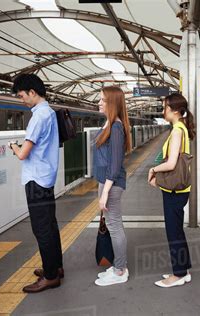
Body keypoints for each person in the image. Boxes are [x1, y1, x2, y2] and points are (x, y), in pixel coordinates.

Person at [9, 73, 63, 293]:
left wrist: (13, 145)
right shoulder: (49, 113)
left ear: (32, 92)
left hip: (36, 180)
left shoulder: (38, 117)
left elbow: (23, 154)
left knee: (42, 229)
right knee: (50, 225)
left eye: (22, 95)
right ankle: (55, 267)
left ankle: (50, 276)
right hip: (46, 177)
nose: (22, 100)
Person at [148, 93, 195, 288]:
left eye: (165, 107)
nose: (162, 110)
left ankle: (178, 274)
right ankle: (182, 269)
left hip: (175, 191)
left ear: (174, 110)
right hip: (179, 190)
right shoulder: (181, 128)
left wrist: (153, 170)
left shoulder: (177, 130)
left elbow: (172, 163)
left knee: (173, 231)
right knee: (177, 230)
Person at [93, 86, 132, 286]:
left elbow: (115, 164)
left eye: (102, 100)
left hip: (112, 184)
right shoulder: (110, 123)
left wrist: (105, 193)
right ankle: (118, 265)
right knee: (114, 224)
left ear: (112, 103)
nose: (98, 102)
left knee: (115, 226)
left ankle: (119, 271)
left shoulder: (116, 128)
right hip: (107, 182)